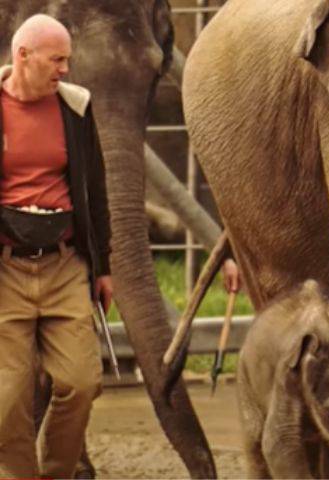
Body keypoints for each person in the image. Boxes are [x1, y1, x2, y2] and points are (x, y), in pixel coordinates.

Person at [0, 14, 112, 478]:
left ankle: (59, 473)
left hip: (64, 262)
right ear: (22, 56)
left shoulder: (74, 108)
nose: (65, 69)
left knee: (82, 383)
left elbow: (95, 190)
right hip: (6, 268)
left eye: (67, 59)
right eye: (57, 59)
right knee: (6, 398)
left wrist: (103, 267)